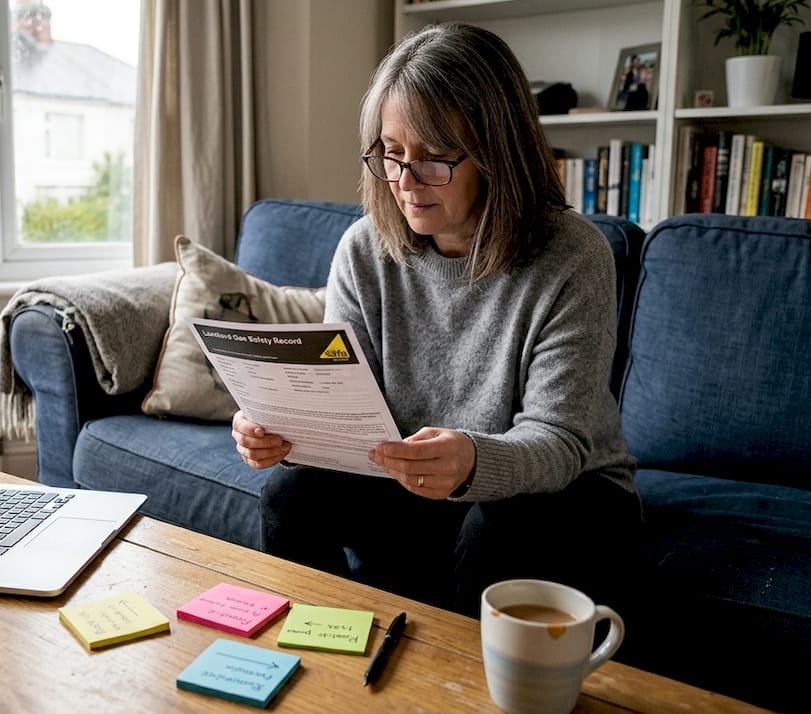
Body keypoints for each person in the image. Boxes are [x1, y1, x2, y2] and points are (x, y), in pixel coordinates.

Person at [231, 22, 641, 617]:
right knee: (291, 493)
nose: (403, 181)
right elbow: (343, 412)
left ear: (497, 152)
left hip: (568, 488)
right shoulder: (364, 250)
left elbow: (560, 440)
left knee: (493, 529)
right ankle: (318, 668)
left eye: (434, 158)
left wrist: (474, 459)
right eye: (391, 154)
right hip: (419, 481)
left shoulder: (572, 255)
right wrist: (281, 431)